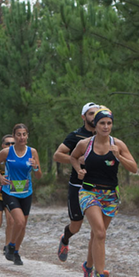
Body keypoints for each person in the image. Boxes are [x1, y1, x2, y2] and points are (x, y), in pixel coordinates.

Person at [70, 107, 138, 277]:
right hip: (89, 192)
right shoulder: (85, 144)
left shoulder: (118, 145)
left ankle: (88, 267)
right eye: (102, 123)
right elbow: (73, 157)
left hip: (110, 195)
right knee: (100, 233)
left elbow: (134, 168)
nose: (106, 126)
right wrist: (78, 170)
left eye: (109, 123)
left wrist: (119, 157)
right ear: (95, 124)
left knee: (96, 235)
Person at [53, 102, 100, 262]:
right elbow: (57, 155)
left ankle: (92, 266)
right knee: (76, 226)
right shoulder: (76, 136)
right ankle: (65, 238)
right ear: (83, 117)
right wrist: (76, 160)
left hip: (98, 187)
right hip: (78, 186)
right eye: (91, 113)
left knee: (98, 229)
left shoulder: (104, 136)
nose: (94, 117)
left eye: (96, 113)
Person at [0, 124, 42, 265]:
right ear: (14, 136)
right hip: (10, 191)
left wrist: (35, 167)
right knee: (19, 221)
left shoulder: (32, 152)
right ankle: (11, 246)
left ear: (27, 136)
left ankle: (16, 252)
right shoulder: (7, 152)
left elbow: (38, 176)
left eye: (24, 134)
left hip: (26, 192)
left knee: (23, 226)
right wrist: (0, 178)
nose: (22, 137)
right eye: (18, 134)